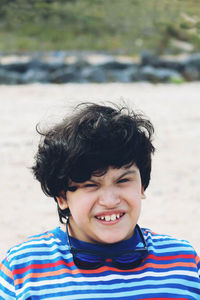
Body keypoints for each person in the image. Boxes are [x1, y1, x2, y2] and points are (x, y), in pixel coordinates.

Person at [0, 102, 199, 300]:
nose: (110, 201)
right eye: (90, 185)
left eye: (123, 180)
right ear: (62, 197)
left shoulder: (183, 263)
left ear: (142, 186)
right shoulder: (24, 267)